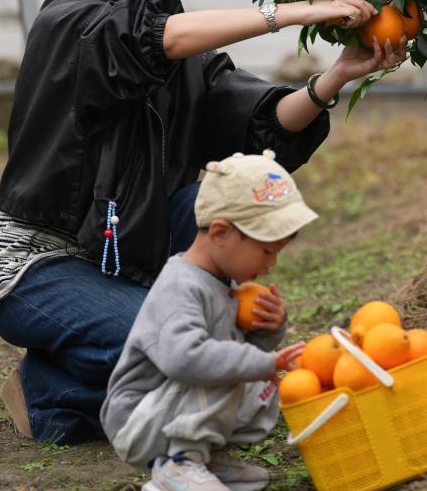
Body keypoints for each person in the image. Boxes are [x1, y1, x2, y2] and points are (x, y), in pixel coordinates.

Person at [0, 0, 404, 444]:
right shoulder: (69, 22)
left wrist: (336, 77)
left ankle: (77, 367)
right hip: (38, 268)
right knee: (185, 354)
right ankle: (48, 389)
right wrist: (293, 11)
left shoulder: (182, 51)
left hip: (131, 247)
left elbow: (257, 123)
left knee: (223, 216)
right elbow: (145, 38)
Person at [102, 150, 313, 491]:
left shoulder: (222, 283)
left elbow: (235, 349)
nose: (271, 264)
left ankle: (202, 460)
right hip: (139, 420)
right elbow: (186, 359)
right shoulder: (180, 286)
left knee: (255, 378)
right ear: (220, 233)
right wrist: (264, 361)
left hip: (171, 410)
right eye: (266, 251)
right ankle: (178, 465)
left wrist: (268, 330)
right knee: (223, 367)